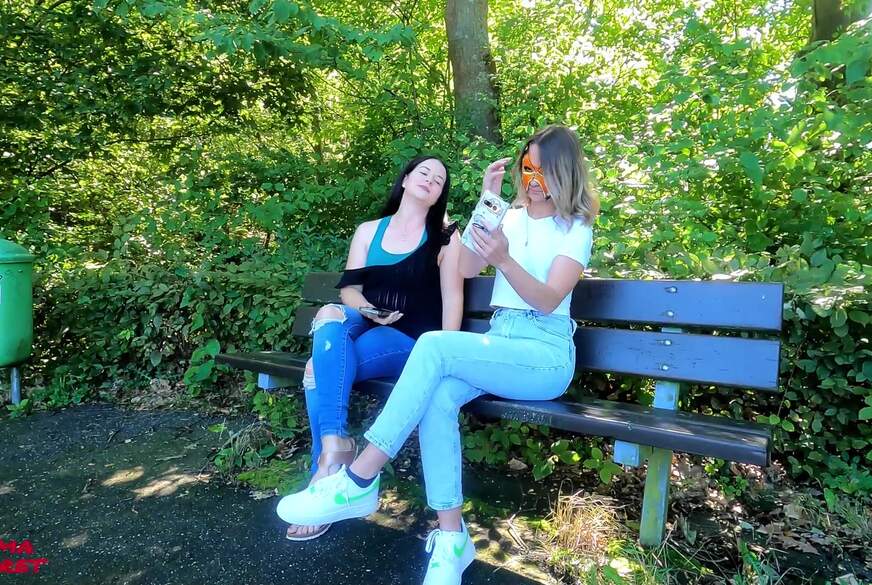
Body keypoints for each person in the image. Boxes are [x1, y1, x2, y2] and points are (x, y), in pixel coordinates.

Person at [276, 124, 598, 585]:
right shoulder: (510, 217)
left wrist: (505, 260)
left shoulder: (576, 227)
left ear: (563, 172)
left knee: (432, 344)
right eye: (527, 167)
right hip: (500, 343)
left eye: (542, 170)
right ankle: (452, 539)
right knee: (438, 398)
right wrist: (488, 206)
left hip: (543, 354)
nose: (532, 179)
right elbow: (465, 266)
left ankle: (359, 479)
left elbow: (548, 300)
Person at [281, 156, 463, 541]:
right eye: (424, 172)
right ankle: (333, 447)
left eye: (439, 180)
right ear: (405, 179)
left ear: (440, 195)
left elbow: (452, 296)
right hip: (368, 320)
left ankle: (324, 473)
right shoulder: (369, 231)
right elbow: (350, 290)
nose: (430, 180)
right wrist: (369, 311)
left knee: (319, 369)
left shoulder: (446, 235)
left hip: (413, 338)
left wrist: (445, 354)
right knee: (329, 313)